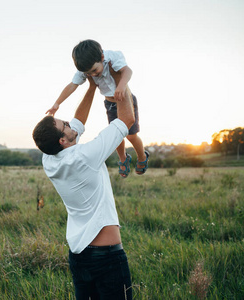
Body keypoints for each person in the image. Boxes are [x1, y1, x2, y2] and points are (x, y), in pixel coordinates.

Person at [33, 76, 134, 299]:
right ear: (63, 140)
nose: (69, 124)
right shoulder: (85, 155)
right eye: (64, 125)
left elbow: (78, 120)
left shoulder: (48, 159)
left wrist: (91, 86)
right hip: (107, 258)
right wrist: (120, 82)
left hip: (79, 256)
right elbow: (126, 120)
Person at [46, 39, 149, 177]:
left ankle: (142, 156)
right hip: (110, 103)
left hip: (126, 99)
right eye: (89, 73)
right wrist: (57, 103)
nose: (93, 75)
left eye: (95, 70)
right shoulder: (85, 69)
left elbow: (127, 71)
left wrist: (121, 86)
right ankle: (123, 159)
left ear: (101, 57)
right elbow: (72, 85)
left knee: (131, 135)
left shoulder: (113, 57)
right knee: (116, 135)